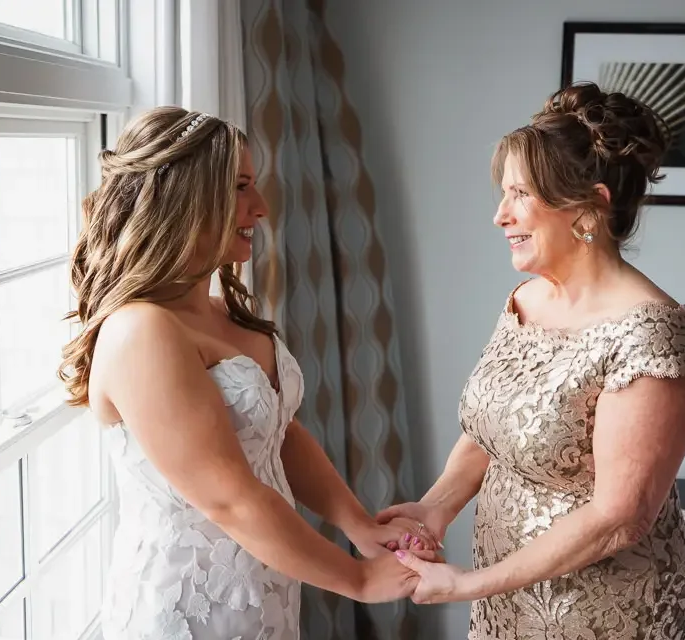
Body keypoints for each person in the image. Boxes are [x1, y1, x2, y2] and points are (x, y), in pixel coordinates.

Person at [58, 107, 439, 640]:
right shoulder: (141, 332)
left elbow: (278, 433)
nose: (261, 207)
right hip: (188, 611)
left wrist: (358, 524)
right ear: (183, 198)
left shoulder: (220, 310)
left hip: (263, 596)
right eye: (240, 187)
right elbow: (229, 498)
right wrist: (357, 579)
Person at [378, 82, 685, 639]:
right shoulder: (528, 300)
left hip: (603, 611)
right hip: (507, 594)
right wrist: (435, 508)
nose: (500, 215)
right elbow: (493, 430)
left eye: (520, 194)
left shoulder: (653, 338)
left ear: (589, 207)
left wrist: (469, 585)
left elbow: (619, 519)